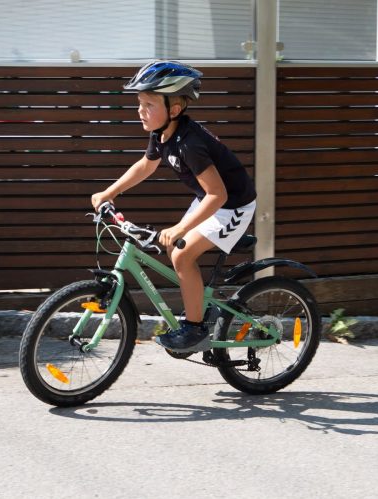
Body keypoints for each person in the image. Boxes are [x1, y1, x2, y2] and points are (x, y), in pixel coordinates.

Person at [91, 60, 256, 351]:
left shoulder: (190, 144)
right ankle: (201, 310)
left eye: (149, 104)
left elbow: (217, 195)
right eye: (139, 103)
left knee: (181, 253)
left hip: (233, 205)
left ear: (174, 110)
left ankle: (195, 330)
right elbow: (145, 166)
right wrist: (109, 192)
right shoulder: (163, 133)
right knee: (175, 247)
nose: (140, 110)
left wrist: (180, 227)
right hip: (210, 200)